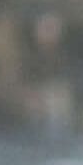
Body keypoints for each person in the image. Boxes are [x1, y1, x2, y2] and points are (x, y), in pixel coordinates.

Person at [18, 11, 74, 143]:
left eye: (52, 29)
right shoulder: (27, 57)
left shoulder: (67, 58)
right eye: (45, 29)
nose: (49, 35)